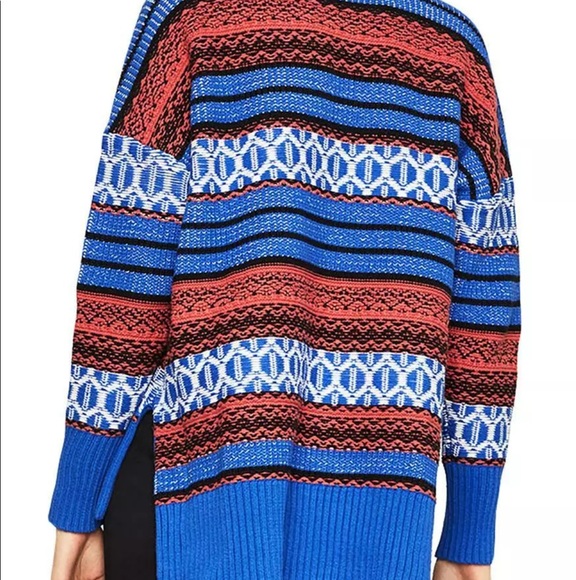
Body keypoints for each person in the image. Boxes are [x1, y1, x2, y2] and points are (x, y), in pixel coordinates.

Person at [48, 0, 521, 579]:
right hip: (377, 505)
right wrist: (469, 531)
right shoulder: (452, 53)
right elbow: (485, 318)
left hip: (199, 486)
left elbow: (123, 278)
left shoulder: (192, 20)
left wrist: (79, 499)